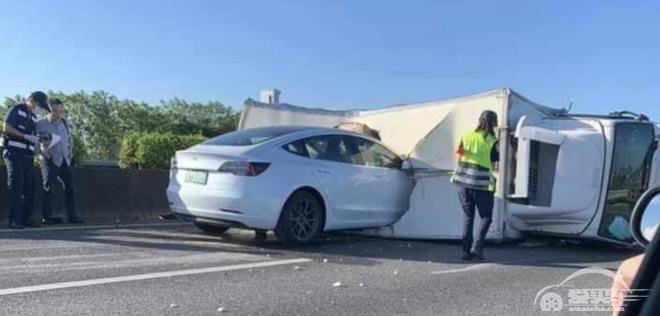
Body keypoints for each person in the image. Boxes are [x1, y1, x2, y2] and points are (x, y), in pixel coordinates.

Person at [450, 110, 499, 261]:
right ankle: (477, 246)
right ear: (494, 123)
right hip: (481, 183)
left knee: (468, 217)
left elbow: (458, 153)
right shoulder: (491, 139)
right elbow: (495, 161)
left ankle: (466, 252)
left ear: (479, 120)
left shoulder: (466, 135)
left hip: (463, 182)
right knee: (486, 216)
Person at [2, 91, 50, 229]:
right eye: (39, 105)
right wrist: (24, 136)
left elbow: (34, 139)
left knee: (30, 187)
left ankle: (25, 218)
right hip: (14, 153)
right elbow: (7, 128)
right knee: (17, 185)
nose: (39, 108)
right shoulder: (16, 109)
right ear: (32, 100)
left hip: (28, 155)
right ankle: (14, 219)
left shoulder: (34, 117)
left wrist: (41, 150)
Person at [36, 98, 84, 224]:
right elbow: (35, 141)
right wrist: (43, 153)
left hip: (65, 160)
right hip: (49, 159)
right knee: (48, 188)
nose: (56, 113)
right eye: (53, 110)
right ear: (49, 110)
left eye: (58, 110)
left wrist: (70, 154)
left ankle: (72, 215)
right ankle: (46, 217)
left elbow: (69, 140)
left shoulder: (64, 122)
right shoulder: (40, 123)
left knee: (70, 188)